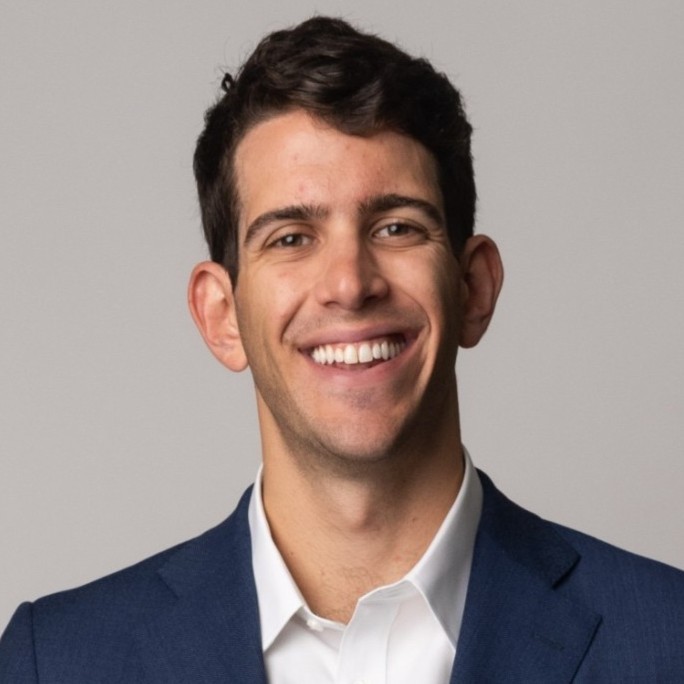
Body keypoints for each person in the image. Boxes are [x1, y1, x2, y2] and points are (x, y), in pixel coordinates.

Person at [1, 16, 683, 683]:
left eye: (395, 226)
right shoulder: (55, 662)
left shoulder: (668, 639)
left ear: (473, 288)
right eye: (291, 237)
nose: (350, 284)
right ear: (222, 315)